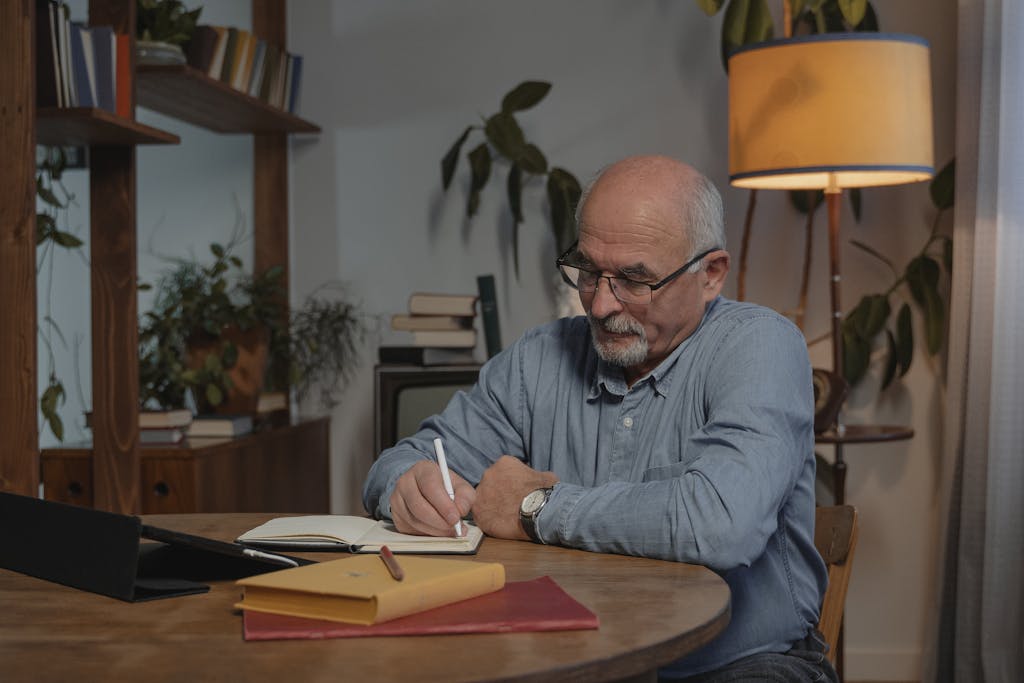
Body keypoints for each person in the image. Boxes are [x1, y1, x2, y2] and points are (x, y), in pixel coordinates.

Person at [363, 155, 835, 681]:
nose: (601, 304)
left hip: (736, 663)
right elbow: (403, 461)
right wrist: (406, 488)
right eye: (589, 271)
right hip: (571, 659)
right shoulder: (537, 357)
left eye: (635, 280)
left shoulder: (760, 347)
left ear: (711, 274)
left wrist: (533, 507)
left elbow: (719, 526)